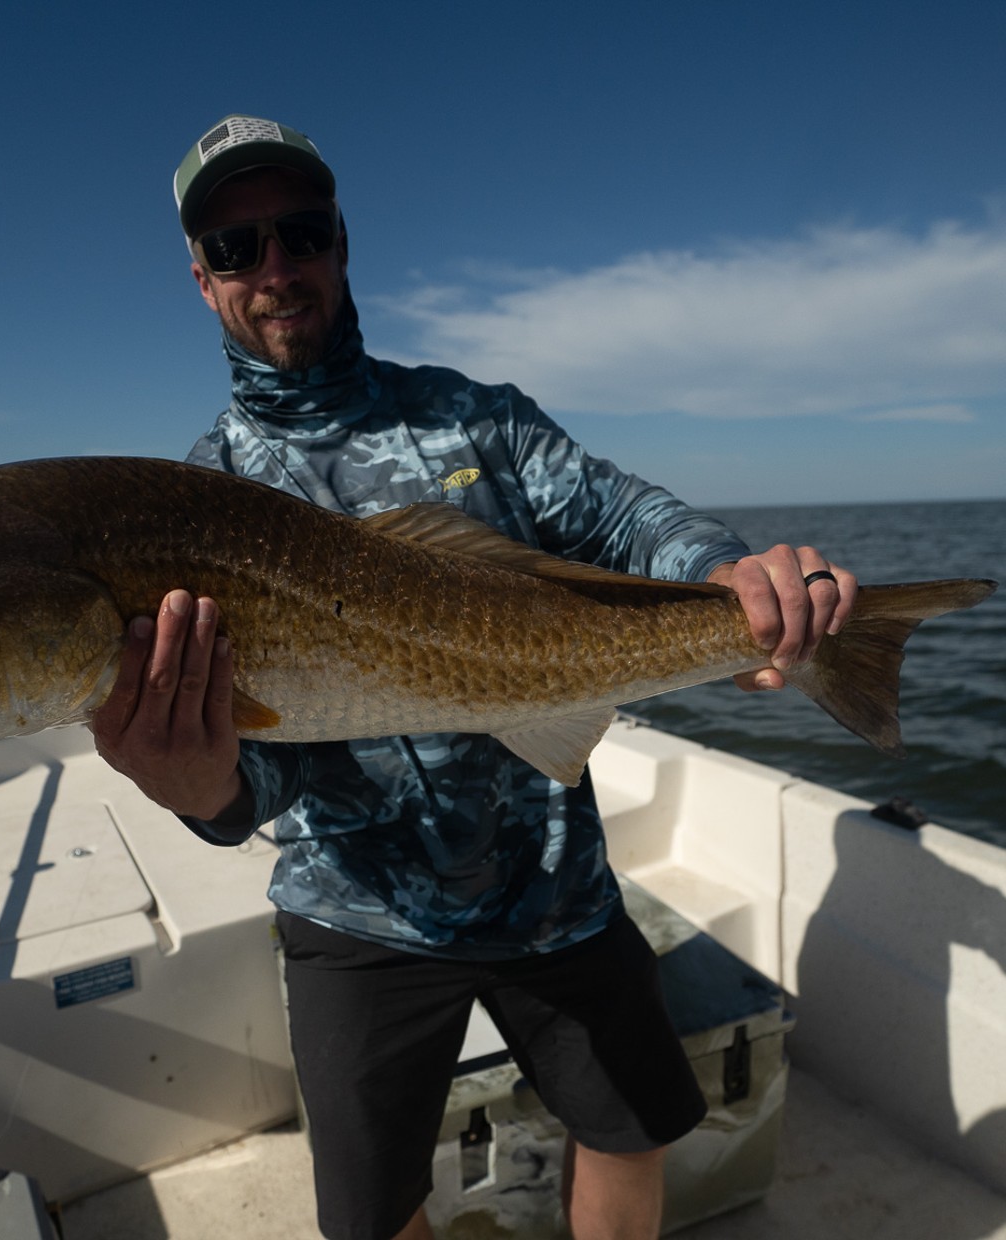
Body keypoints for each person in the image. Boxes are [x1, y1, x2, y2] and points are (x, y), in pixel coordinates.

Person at [92, 115, 858, 1240]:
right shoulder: (198, 499)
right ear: (201, 281)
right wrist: (197, 787)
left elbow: (619, 514)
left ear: (341, 242)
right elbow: (247, 787)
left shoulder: (475, 417)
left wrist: (724, 575)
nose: (276, 269)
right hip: (357, 909)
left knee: (629, 1131)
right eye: (237, 249)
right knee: (370, 1211)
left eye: (299, 233)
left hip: (555, 882)